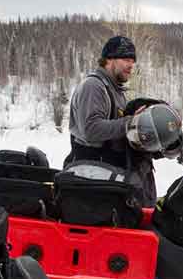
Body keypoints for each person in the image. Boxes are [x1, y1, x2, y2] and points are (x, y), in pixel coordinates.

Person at [68, 35, 161, 205]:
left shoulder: (116, 91)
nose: (131, 65)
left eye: (133, 60)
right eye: (126, 59)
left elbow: (119, 127)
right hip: (92, 179)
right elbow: (91, 130)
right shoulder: (94, 86)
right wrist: (132, 122)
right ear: (109, 59)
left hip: (109, 177)